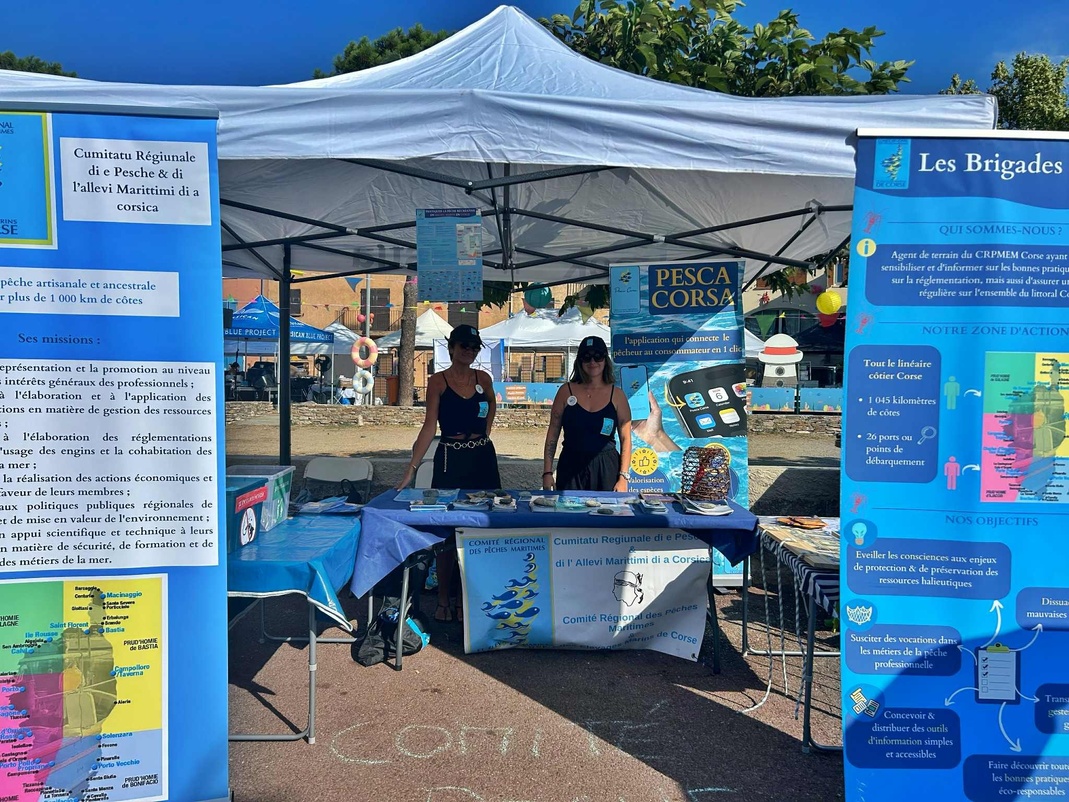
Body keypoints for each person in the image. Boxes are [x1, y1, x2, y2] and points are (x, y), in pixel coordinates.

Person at [396, 324, 501, 622]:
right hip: (450, 458)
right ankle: (444, 598)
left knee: (482, 527)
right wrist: (411, 468)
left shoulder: (484, 378)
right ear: (451, 347)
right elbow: (430, 425)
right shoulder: (438, 381)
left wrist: (487, 428)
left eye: (474, 346)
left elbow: (492, 402)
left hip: (482, 456)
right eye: (463, 345)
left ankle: (469, 597)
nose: (469, 350)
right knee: (446, 531)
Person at [543, 336, 632, 492]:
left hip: (606, 468)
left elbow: (626, 438)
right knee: (570, 512)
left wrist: (623, 477)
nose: (592, 362)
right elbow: (553, 433)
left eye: (597, 356)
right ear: (579, 361)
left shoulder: (617, 395)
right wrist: (547, 472)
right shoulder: (565, 391)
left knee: (607, 514)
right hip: (571, 464)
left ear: (605, 359)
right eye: (586, 357)